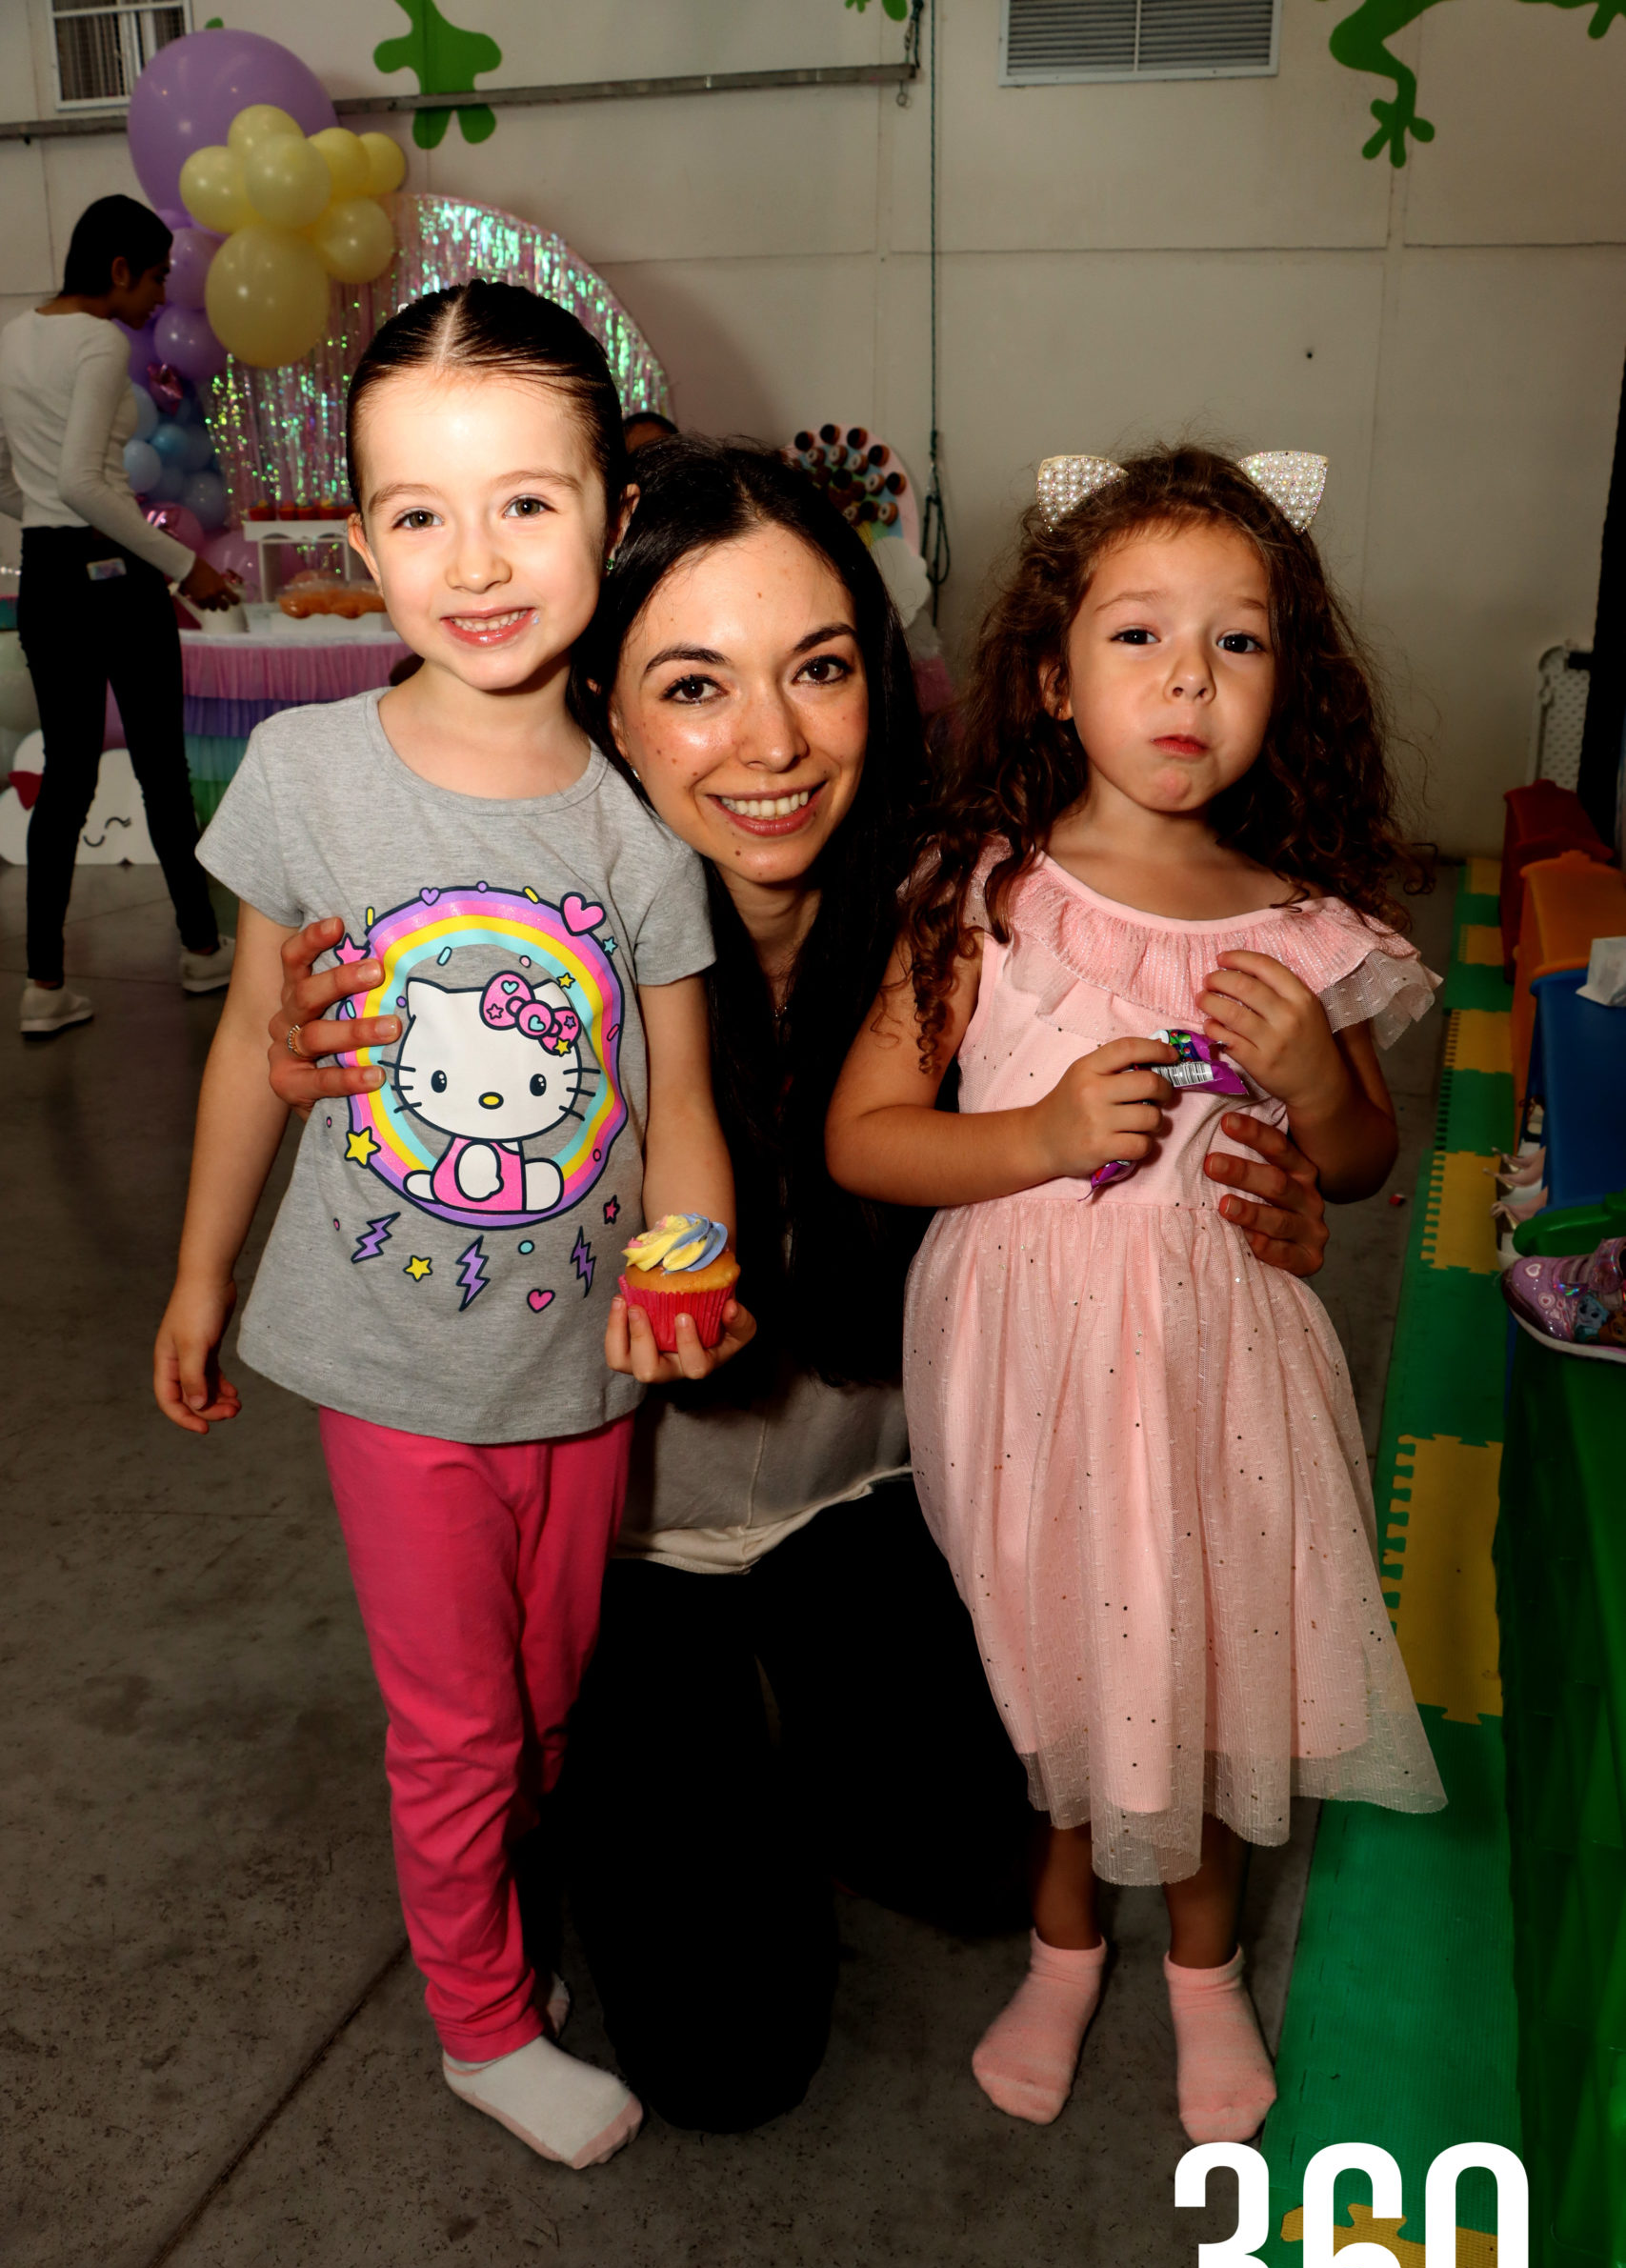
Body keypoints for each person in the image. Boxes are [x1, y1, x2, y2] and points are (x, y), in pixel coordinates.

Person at [263, 438, 1337, 2137]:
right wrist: (313, 1046)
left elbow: (1199, 1039)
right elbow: (371, 1113)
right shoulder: (511, 959)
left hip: (886, 1497)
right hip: (624, 1546)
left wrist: (1268, 1190)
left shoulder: (975, 907)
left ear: (877, 685)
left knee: (1002, 1860)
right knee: (722, 2061)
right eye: (695, 685)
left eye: (817, 670)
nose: (769, 746)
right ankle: (571, 1792)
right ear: (600, 699)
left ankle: (805, 1727)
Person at [151, 282, 753, 2175]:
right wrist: (198, 1272)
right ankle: (479, 2019)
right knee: (458, 1722)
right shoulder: (313, 781)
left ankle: (503, 1883)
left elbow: (677, 1113)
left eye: (524, 503)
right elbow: (261, 1039)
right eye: (416, 511)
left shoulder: (646, 822)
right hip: (388, 1360)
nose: (471, 560)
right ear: (358, 536)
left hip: (584, 1372)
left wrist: (685, 1278)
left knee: (546, 1694)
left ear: (609, 512)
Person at [827, 443, 1447, 2147]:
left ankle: (1202, 1972)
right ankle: (1058, 1944)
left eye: (1237, 643)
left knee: (1213, 1668)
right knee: (1066, 1680)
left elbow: (1360, 1166)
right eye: (1138, 636)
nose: (1187, 678)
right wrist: (1027, 1131)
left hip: (1218, 1372)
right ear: (1050, 671)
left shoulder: (1304, 928)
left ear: (1286, 681)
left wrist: (1317, 1082)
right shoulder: (988, 895)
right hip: (1022, 1375)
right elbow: (869, 1140)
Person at [0, 194, 239, 1036]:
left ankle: (43, 984)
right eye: (157, 280)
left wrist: (34, 514)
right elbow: (82, 483)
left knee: (65, 776)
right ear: (117, 271)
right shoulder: (101, 341)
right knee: (160, 767)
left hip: (48, 576)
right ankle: (203, 948)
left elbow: (20, 479)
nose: (159, 300)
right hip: (112, 573)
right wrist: (186, 568)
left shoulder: (13, 336)